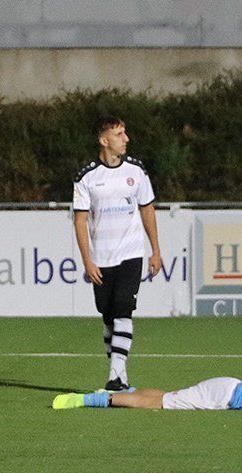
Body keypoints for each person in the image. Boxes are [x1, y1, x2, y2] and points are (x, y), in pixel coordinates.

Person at [73, 116, 162, 391]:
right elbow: (80, 220)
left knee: (124, 307)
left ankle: (116, 372)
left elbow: (147, 208)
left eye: (125, 133)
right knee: (108, 314)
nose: (126, 138)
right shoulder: (86, 177)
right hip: (101, 257)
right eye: (119, 134)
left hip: (131, 254)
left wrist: (155, 250)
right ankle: (118, 374)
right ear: (104, 141)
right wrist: (87, 260)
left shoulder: (136, 171)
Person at [52, 361, 242, 413]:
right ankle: (90, 400)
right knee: (158, 404)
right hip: (222, 396)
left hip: (226, 387)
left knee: (165, 397)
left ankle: (114, 394)